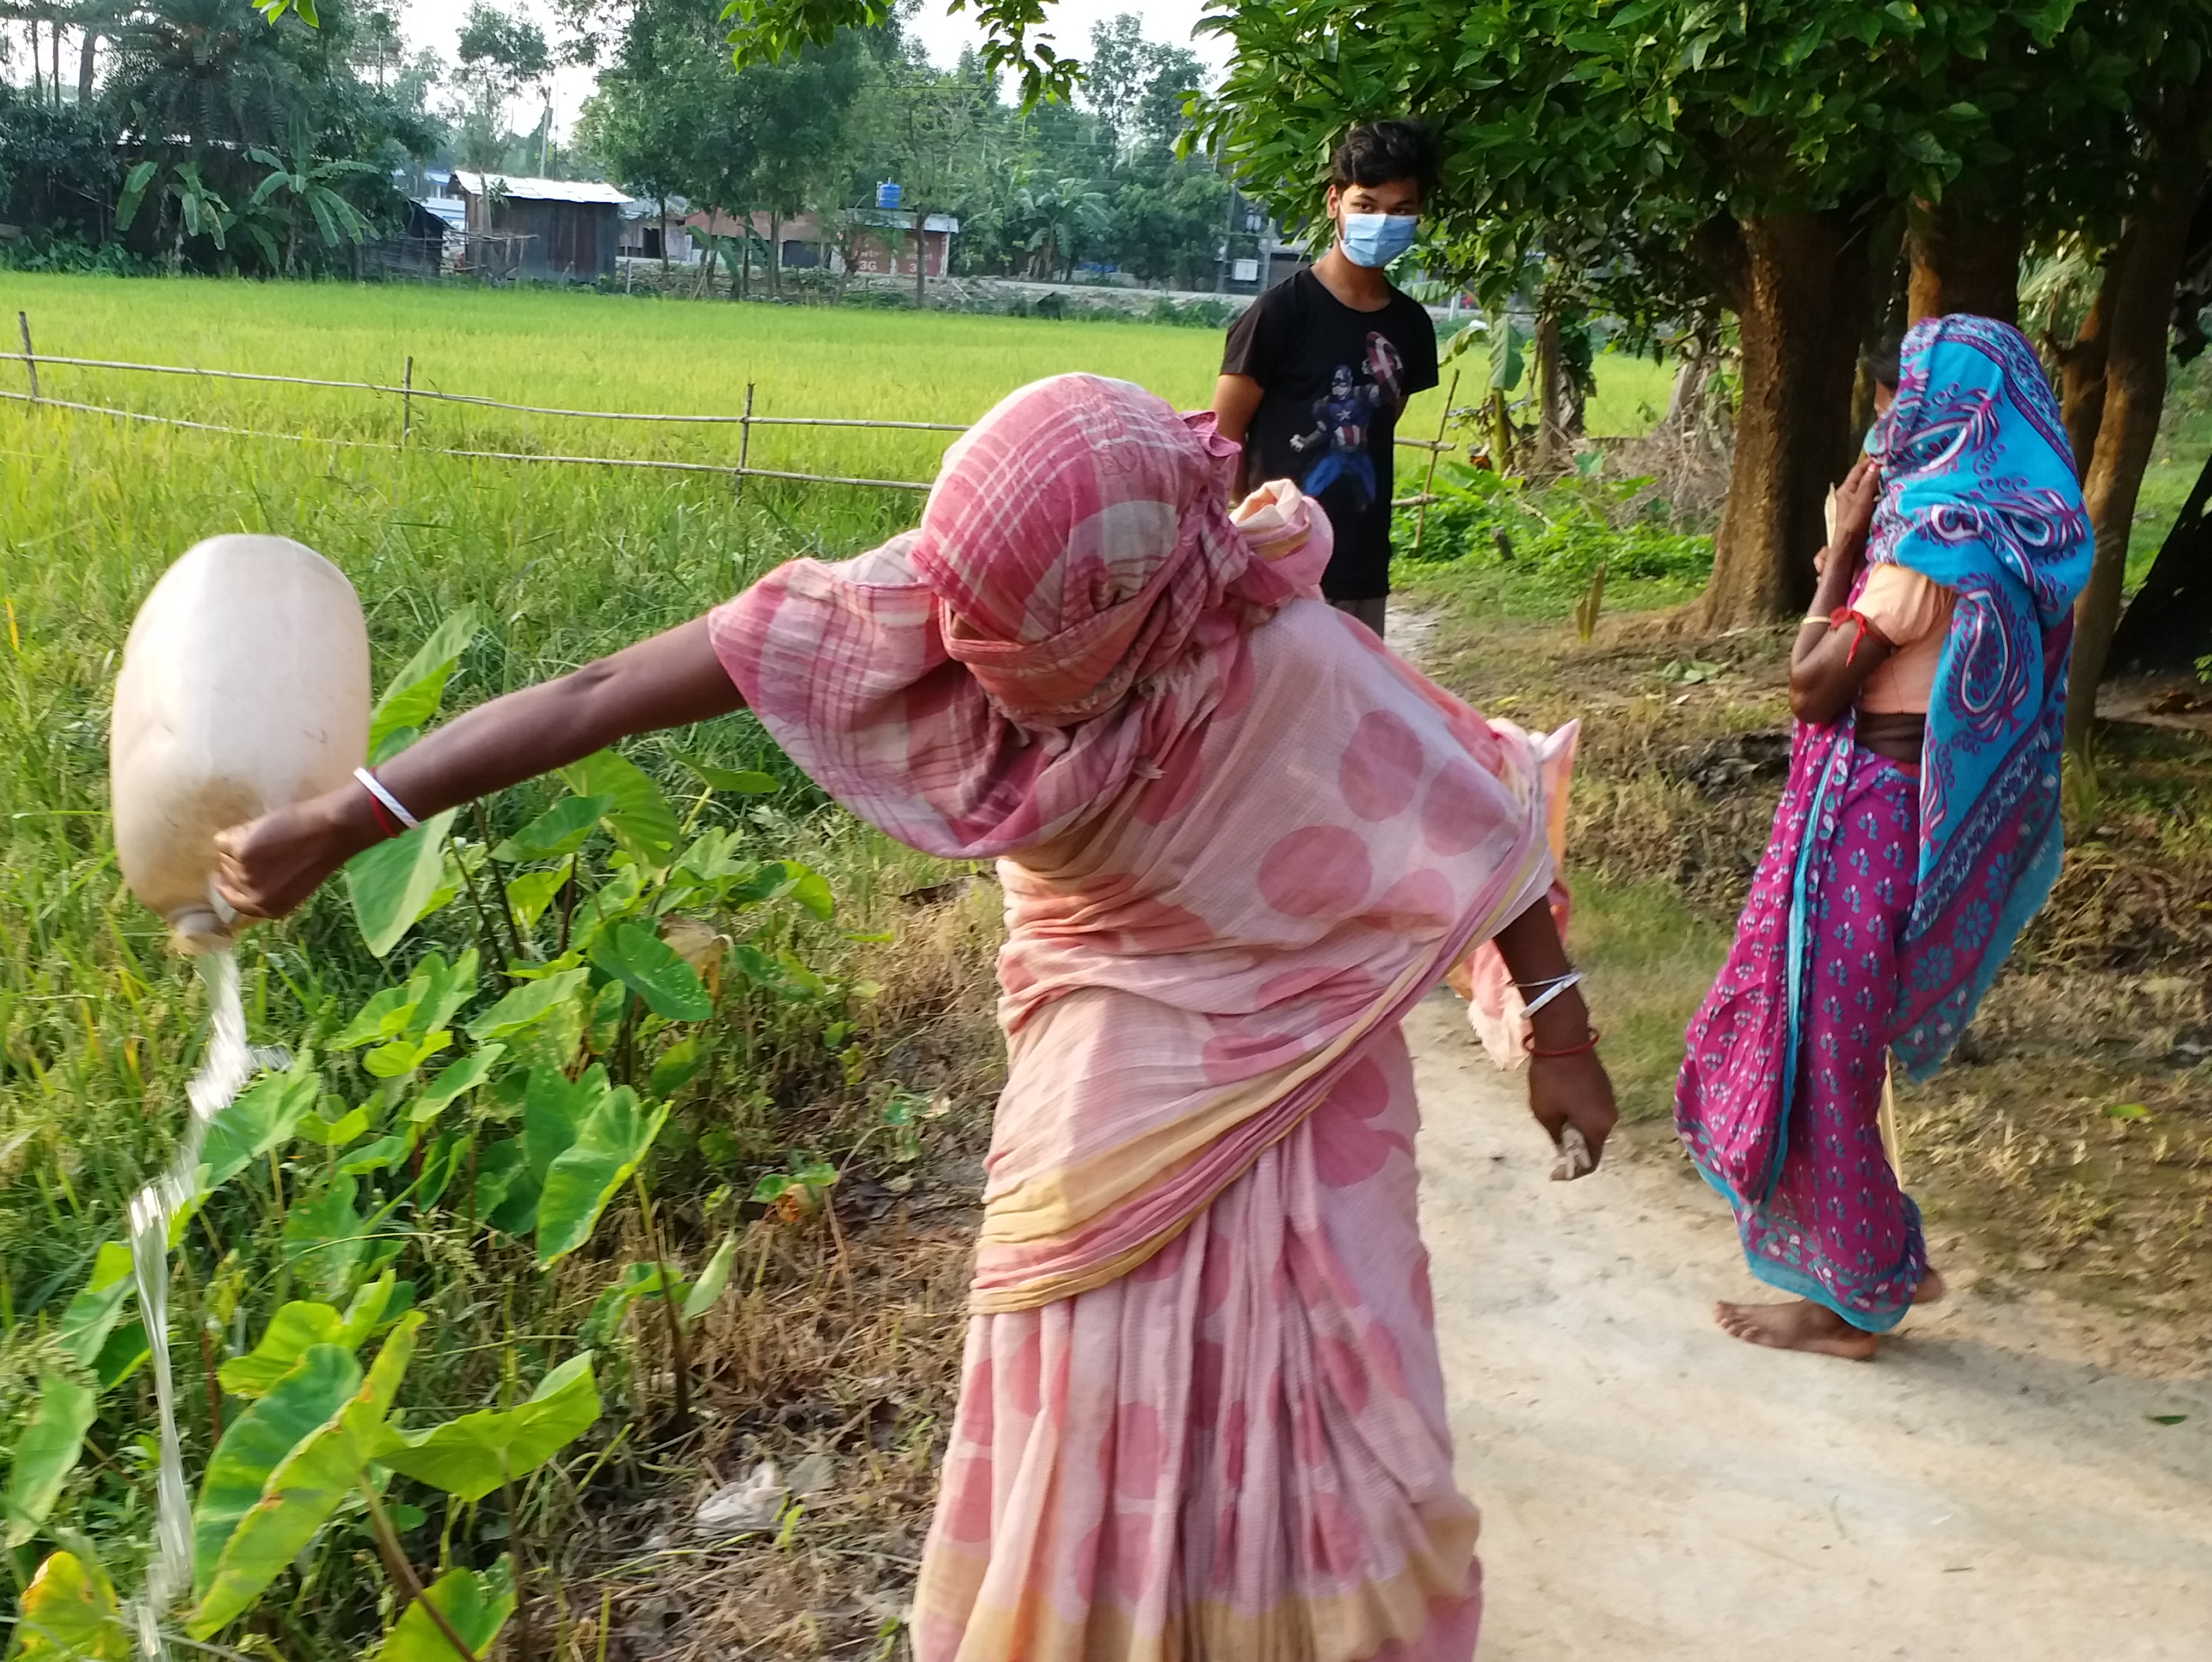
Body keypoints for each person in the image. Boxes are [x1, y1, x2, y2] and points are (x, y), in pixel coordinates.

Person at [212, 373, 1621, 1660]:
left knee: (1351, 1436)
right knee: (1086, 1437)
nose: (957, 649)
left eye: (1008, 636)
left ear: (1125, 611)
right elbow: (601, 693)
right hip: (1097, 1110)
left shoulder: (1282, 672)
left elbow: (1475, 810)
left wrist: (1560, 1030)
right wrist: (353, 815)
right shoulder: (950, 594)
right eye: (960, 609)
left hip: (1312, 1112)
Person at [1674, 315, 2090, 1361]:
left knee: (1824, 1053)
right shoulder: (2016, 526)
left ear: (1949, 405)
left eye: (1906, 391)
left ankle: (1851, 1299)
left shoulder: (1929, 540)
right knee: (1833, 1046)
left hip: (1868, 813)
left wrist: (1840, 553)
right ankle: (1881, 1261)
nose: (1888, 414)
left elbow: (1813, 688)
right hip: (1897, 811)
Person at [1212, 120, 1445, 639]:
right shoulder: (1279, 314)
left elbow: (1383, 420)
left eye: (1401, 209)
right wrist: (1248, 547)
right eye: (1366, 205)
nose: (1383, 221)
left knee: (1350, 714)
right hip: (1275, 570)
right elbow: (1223, 441)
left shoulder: (1410, 327)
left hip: (1363, 566)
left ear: (1419, 214)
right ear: (1334, 202)